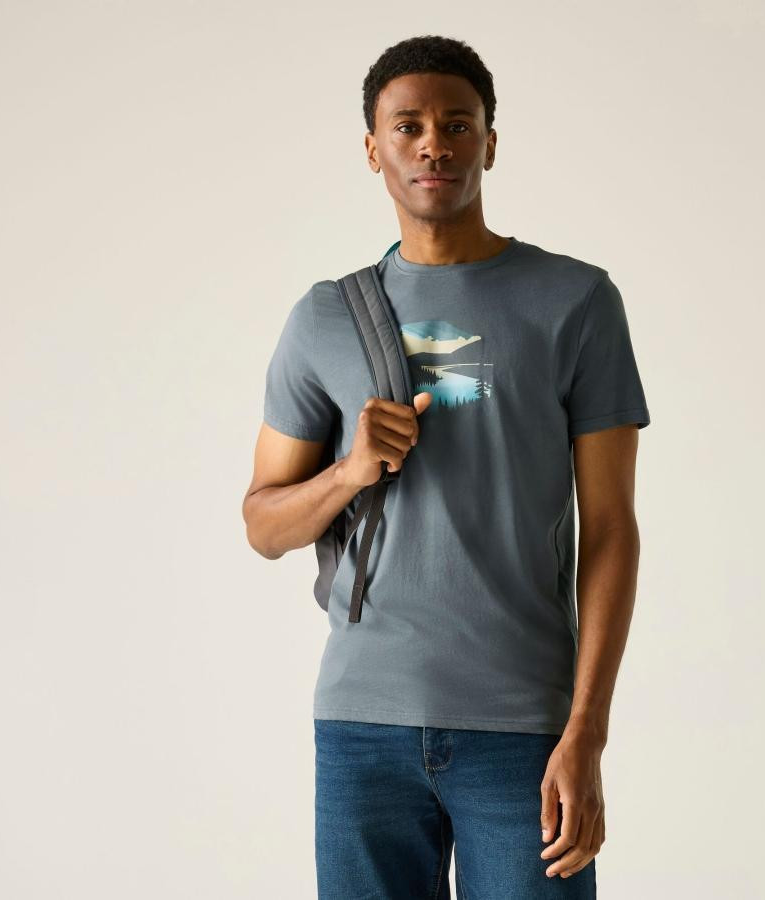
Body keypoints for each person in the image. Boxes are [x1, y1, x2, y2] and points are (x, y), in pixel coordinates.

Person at [243, 34, 651, 900]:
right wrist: (348, 472)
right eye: (409, 126)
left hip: (525, 729)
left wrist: (587, 731)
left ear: (490, 143)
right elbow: (263, 524)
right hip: (361, 725)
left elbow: (612, 528)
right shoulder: (324, 317)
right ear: (374, 148)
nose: (434, 144)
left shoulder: (577, 301)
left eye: (458, 125)